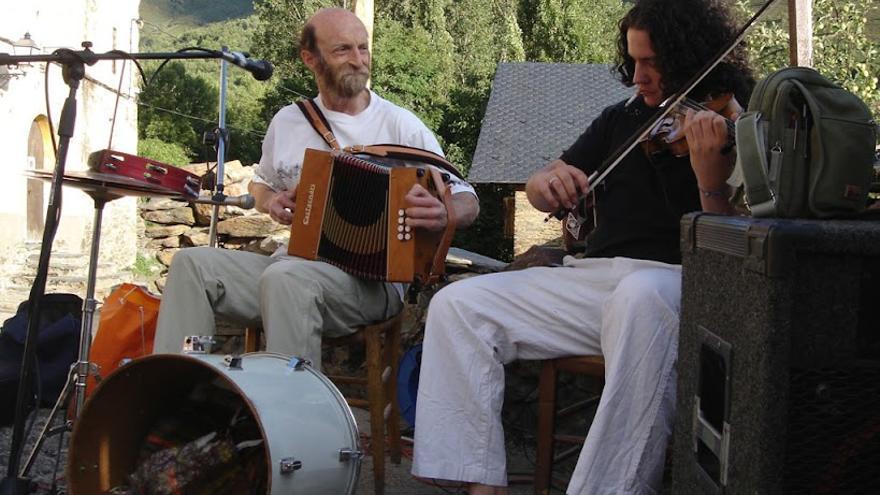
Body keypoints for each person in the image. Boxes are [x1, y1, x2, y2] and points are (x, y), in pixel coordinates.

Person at [411, 0, 753, 493]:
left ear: (690, 55)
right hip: (594, 280)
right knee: (456, 305)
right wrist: (546, 181)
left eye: (652, 62)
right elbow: (539, 184)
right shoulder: (622, 119)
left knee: (639, 295)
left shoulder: (740, 121)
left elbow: (732, 245)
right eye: (633, 61)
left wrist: (709, 180)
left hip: (675, 286)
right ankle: (480, 485)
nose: (638, 76)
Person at [152, 8, 479, 367]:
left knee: (285, 278)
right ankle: (180, 380)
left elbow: (467, 199)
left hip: (372, 286)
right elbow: (261, 184)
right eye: (343, 50)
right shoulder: (289, 120)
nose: (358, 60)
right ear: (311, 59)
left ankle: (294, 415)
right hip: (291, 266)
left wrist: (444, 212)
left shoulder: (400, 125)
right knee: (191, 265)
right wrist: (271, 201)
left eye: (363, 48)